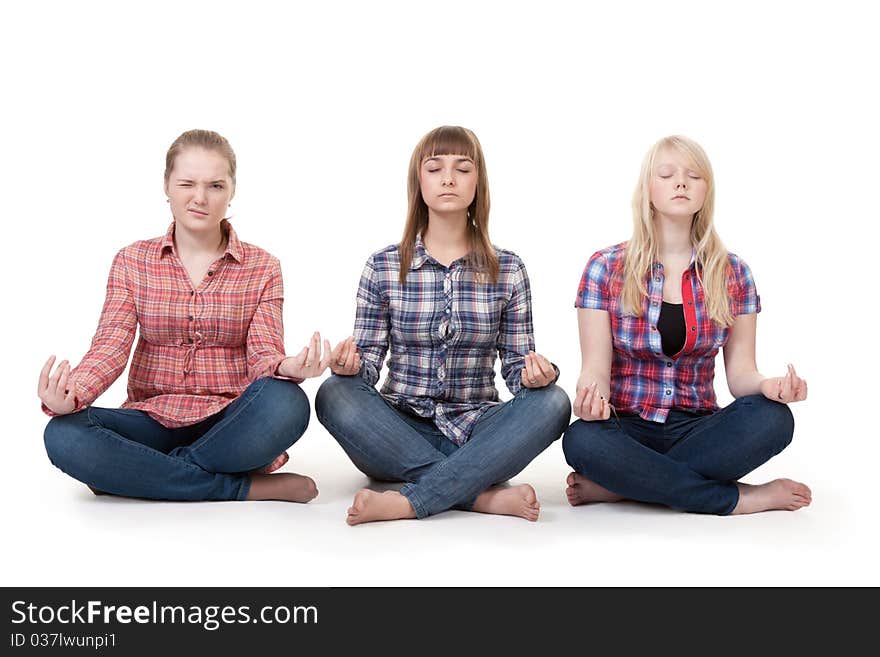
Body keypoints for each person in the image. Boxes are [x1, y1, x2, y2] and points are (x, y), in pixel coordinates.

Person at [40, 129, 330, 503]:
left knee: (288, 402)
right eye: (187, 183)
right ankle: (239, 487)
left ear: (231, 191)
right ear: (167, 186)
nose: (200, 198)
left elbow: (264, 354)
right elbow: (109, 348)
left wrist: (288, 366)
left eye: (215, 186)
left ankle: (137, 473)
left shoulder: (263, 267)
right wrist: (71, 393)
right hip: (150, 418)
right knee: (63, 433)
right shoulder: (132, 262)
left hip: (230, 423)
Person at [316, 126, 571, 525]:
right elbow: (365, 369)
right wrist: (349, 367)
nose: (448, 178)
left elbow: (519, 373)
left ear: (477, 183)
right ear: (419, 182)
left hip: (479, 429)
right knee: (334, 393)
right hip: (396, 428)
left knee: (554, 402)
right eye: (435, 168)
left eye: (462, 169)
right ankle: (479, 497)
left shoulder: (509, 269)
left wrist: (539, 376)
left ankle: (408, 500)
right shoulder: (383, 266)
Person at [562, 135, 811, 515]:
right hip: (627, 427)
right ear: (648, 190)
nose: (681, 182)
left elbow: (741, 374)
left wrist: (768, 386)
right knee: (580, 440)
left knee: (774, 418)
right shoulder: (605, 267)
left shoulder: (734, 273)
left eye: (693, 175)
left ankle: (627, 486)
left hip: (697, 427)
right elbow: (595, 368)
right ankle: (740, 499)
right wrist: (589, 398)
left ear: (705, 191)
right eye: (667, 174)